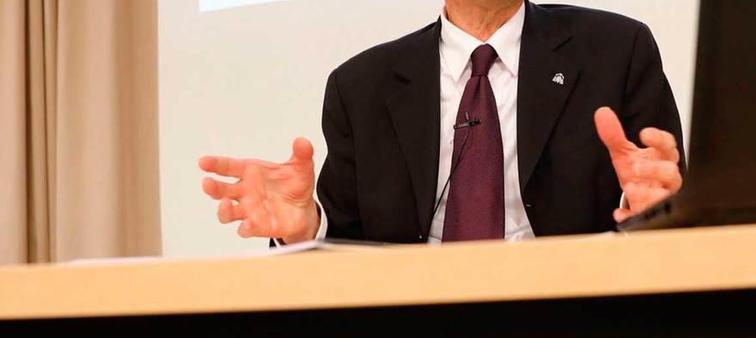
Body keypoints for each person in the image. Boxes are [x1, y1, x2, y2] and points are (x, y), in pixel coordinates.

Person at [199, 0, 685, 244]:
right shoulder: (361, 87)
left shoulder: (616, 52)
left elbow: (664, 205)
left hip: (576, 337)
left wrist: (657, 213)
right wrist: (307, 228)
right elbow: (346, 247)